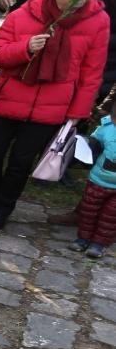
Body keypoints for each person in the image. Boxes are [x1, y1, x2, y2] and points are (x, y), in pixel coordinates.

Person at [0, 0, 109, 231]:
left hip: (51, 107)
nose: (83, 1)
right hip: (10, 99)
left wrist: (76, 115)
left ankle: (3, 208)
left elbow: (91, 73)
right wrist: (25, 48)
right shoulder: (25, 12)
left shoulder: (98, 21)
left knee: (21, 163)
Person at [70, 109, 116, 259]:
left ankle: (99, 244)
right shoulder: (106, 129)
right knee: (89, 211)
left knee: (110, 217)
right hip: (98, 180)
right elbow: (92, 147)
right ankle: (83, 239)